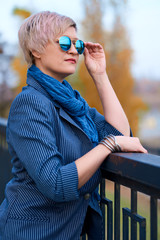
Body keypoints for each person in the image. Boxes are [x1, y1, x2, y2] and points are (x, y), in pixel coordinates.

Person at [0, 11, 147, 240]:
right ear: (35, 50)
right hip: (33, 232)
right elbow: (56, 183)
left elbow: (121, 134)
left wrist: (99, 75)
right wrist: (109, 144)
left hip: (70, 231)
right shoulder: (30, 104)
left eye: (77, 44)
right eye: (65, 42)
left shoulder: (73, 102)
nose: (73, 50)